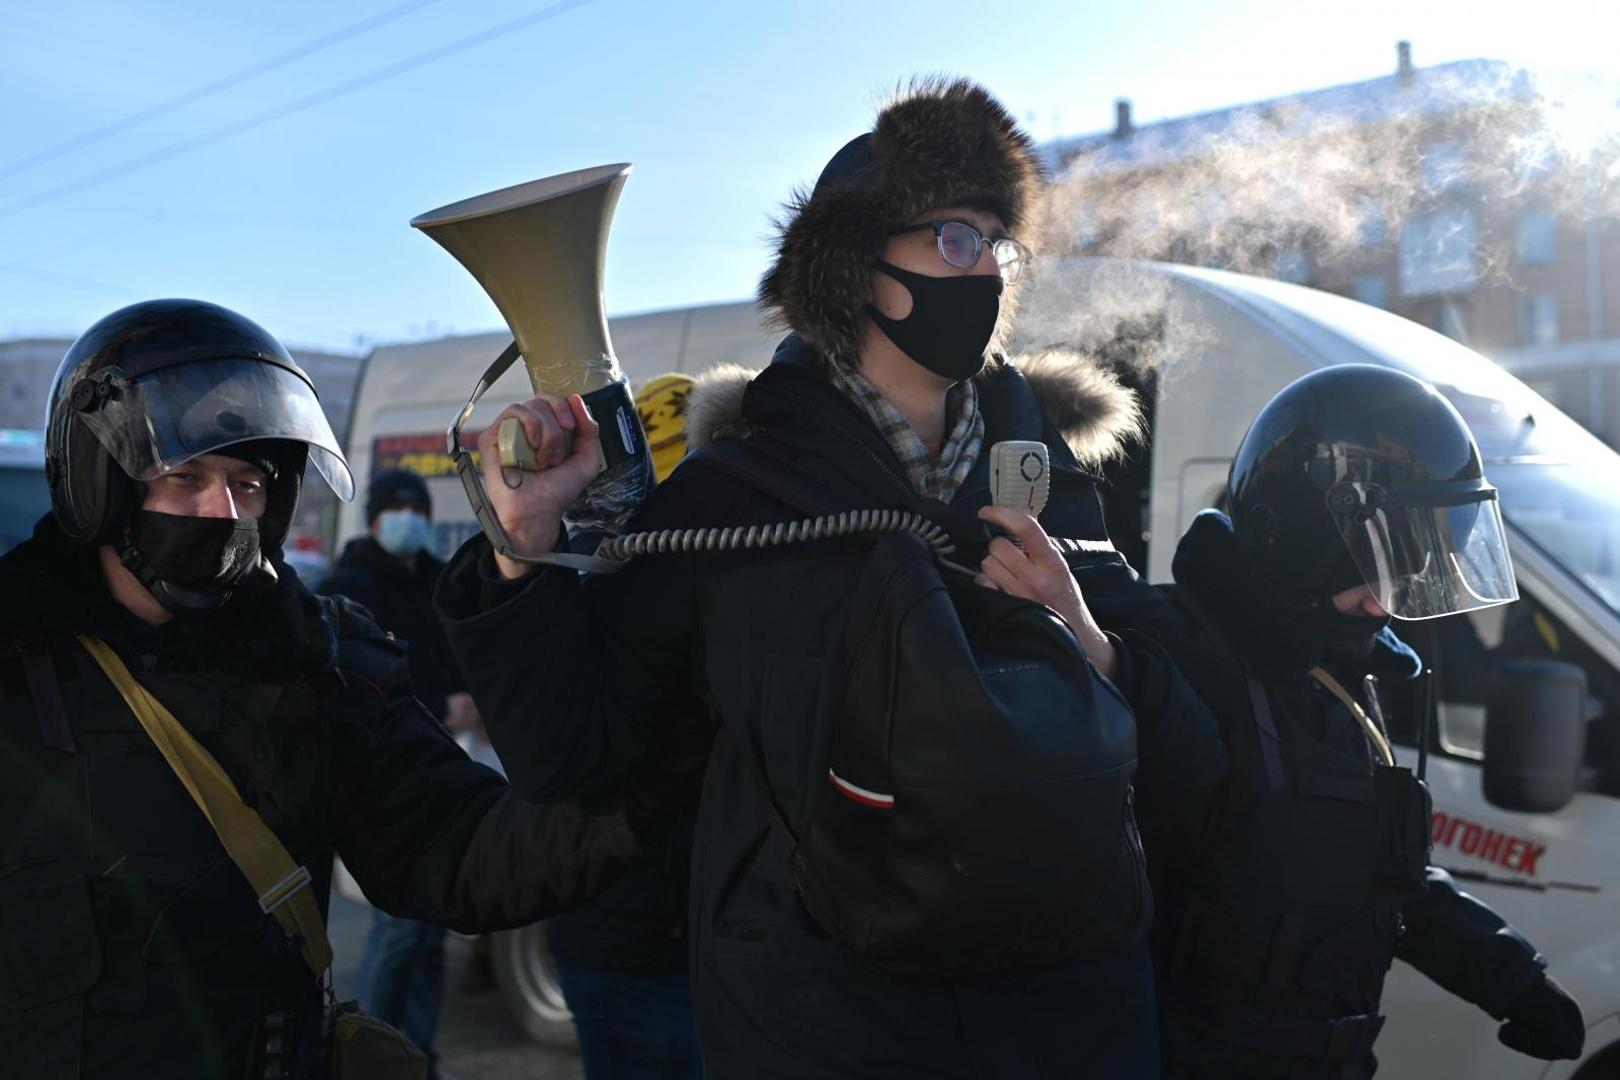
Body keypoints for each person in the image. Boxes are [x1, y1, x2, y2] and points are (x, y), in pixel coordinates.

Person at [438, 78, 1213, 1077]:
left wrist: (1092, 644)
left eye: (997, 245)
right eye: (953, 239)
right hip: (825, 1026)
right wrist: (524, 555)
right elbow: (578, 757)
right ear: (855, 270)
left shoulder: (1048, 480)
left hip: (1065, 1020)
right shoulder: (735, 495)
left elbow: (1186, 750)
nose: (985, 273)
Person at [0, 299, 673, 1080]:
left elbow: (463, 850)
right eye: (184, 478)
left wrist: (662, 774)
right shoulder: (20, 667)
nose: (221, 511)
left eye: (247, 484)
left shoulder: (314, 666)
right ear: (97, 484)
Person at [1127, 365, 1586, 1079]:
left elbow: (1380, 871)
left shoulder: (1338, 670)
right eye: (1384, 565)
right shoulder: (1178, 661)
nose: (1390, 602)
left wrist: (1507, 975)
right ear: (1307, 539)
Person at [320, 468, 474, 1074]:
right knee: (399, 930)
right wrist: (442, 705)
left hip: (449, 766)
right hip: (388, 788)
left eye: (417, 505)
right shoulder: (350, 586)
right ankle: (376, 1059)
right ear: (376, 514)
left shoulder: (435, 580)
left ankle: (419, 1054)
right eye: (396, 506)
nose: (408, 515)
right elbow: (358, 690)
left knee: (430, 933)